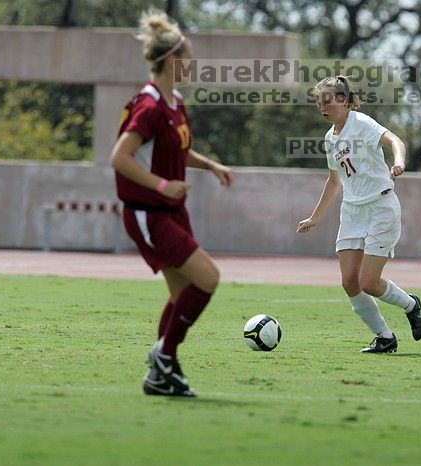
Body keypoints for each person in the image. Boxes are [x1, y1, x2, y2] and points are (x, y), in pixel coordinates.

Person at [110, 10, 234, 396]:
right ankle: (164, 355)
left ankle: (161, 375)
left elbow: (178, 148)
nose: (192, 65)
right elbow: (120, 157)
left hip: (173, 212)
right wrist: (163, 185)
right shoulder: (148, 107)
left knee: (182, 294)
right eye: (189, 58)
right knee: (208, 278)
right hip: (149, 214)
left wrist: (209, 165)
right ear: (172, 61)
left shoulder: (174, 102)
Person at [297, 76, 421, 353]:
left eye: (328, 101)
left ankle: (412, 305)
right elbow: (334, 181)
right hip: (352, 212)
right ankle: (384, 337)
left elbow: (394, 140)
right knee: (349, 282)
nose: (323, 107)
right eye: (319, 102)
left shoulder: (362, 123)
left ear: (343, 101)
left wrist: (399, 161)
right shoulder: (330, 138)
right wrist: (315, 217)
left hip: (381, 207)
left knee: (369, 282)